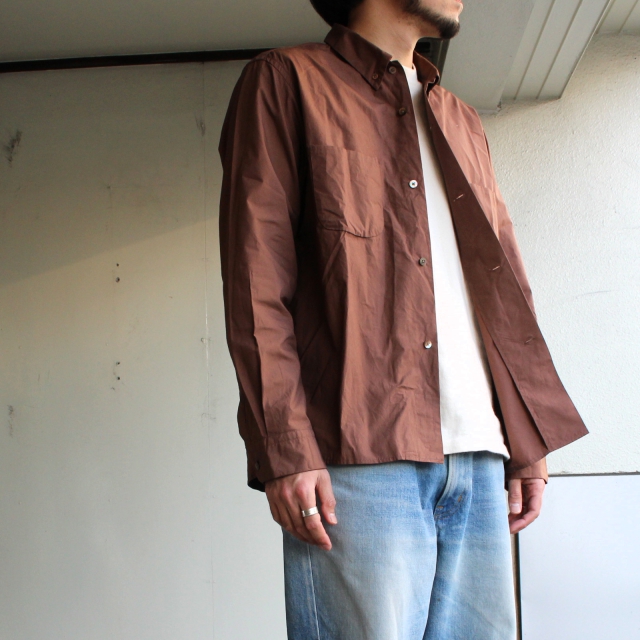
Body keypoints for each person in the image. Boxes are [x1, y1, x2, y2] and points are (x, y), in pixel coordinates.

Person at [218, 0, 588, 637]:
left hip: (480, 457)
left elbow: (504, 289)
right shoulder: (286, 81)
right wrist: (285, 449)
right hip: (359, 455)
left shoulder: (461, 119)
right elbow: (257, 282)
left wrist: (524, 441)